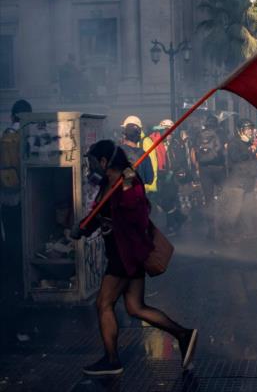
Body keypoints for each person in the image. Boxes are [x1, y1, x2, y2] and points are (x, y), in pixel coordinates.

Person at [72, 140, 197, 375]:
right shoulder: (107, 183)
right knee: (135, 307)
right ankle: (183, 334)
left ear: (103, 161)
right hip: (126, 254)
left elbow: (137, 211)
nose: (90, 167)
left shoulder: (128, 181)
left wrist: (128, 182)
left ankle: (112, 360)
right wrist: (83, 228)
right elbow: (101, 215)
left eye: (92, 162)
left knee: (103, 303)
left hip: (125, 254)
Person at [0, 100, 31, 305]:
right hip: (25, 195)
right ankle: (22, 276)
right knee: (23, 237)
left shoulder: (5, 135)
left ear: (12, 116)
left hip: (6, 194)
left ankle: (11, 273)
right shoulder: (26, 135)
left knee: (10, 236)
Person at [217, 119, 257, 243]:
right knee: (233, 211)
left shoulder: (248, 143)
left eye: (251, 128)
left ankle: (247, 232)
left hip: (248, 180)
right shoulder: (234, 143)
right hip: (237, 182)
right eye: (247, 129)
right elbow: (236, 158)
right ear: (240, 130)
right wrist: (251, 153)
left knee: (247, 208)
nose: (250, 131)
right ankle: (227, 235)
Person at [191, 115, 225, 237]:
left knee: (208, 198)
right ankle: (223, 224)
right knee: (222, 195)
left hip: (204, 169)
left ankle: (211, 226)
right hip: (219, 168)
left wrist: (196, 167)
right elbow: (223, 149)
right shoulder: (221, 134)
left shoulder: (199, 135)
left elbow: (194, 152)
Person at [119, 116, 155, 190]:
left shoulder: (117, 152)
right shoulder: (144, 155)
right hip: (138, 195)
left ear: (124, 134)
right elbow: (149, 179)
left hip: (121, 196)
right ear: (139, 136)